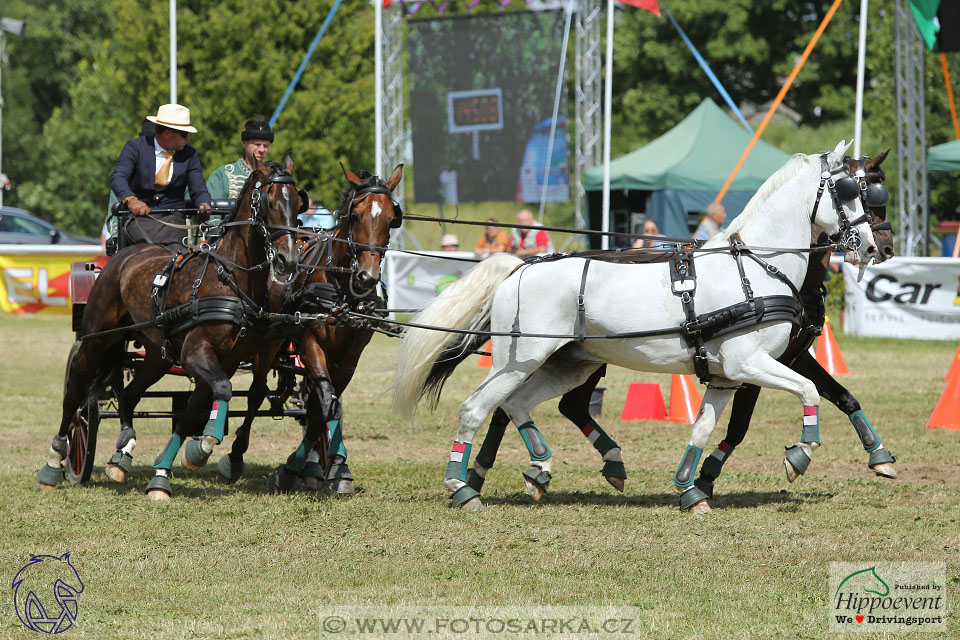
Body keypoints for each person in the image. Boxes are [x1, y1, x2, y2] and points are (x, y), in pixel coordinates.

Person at [110, 103, 211, 247]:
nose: (187, 139)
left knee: (176, 249)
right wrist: (131, 200)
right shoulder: (135, 147)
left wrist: (204, 204)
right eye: (184, 134)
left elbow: (199, 189)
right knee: (144, 248)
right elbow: (118, 177)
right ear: (168, 133)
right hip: (138, 218)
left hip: (174, 220)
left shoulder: (190, 154)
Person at [103, 118, 158, 251]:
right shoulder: (124, 180)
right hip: (134, 236)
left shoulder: (176, 173)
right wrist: (116, 238)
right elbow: (114, 212)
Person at [207, 116, 274, 199]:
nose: (261, 149)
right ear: (244, 143)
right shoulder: (223, 175)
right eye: (257, 144)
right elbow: (212, 210)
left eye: (265, 146)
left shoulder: (274, 177)